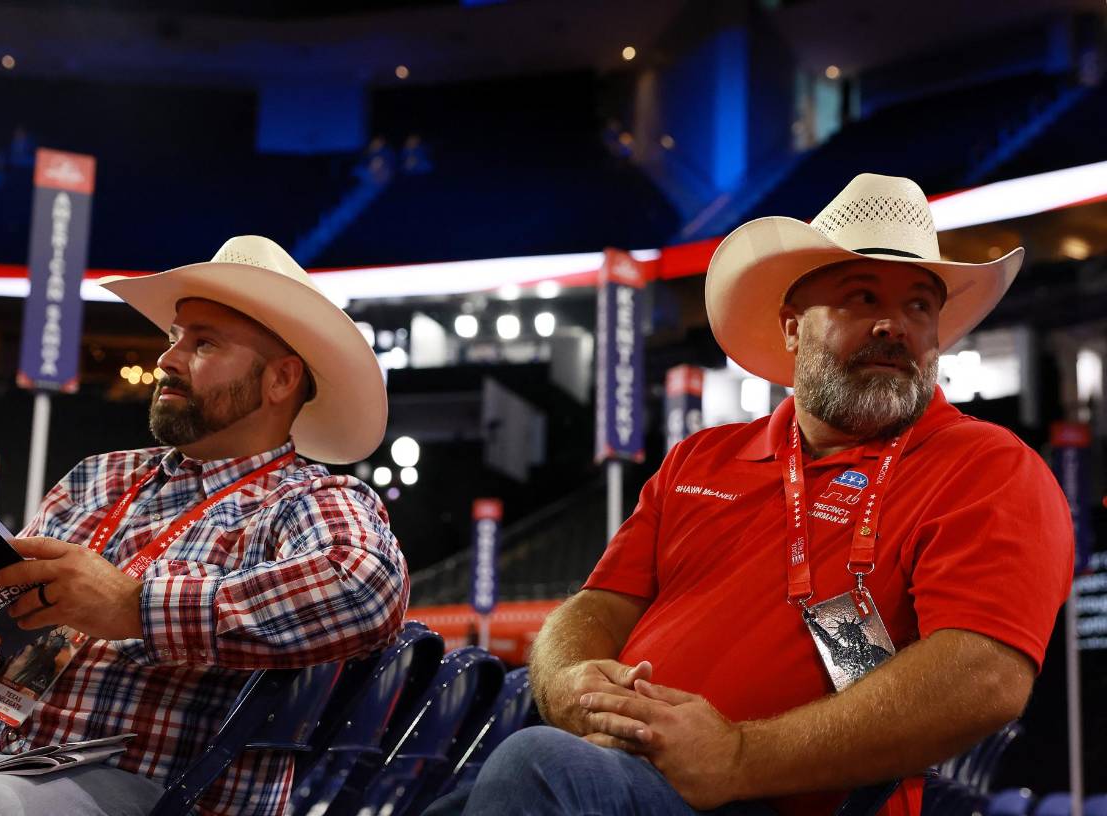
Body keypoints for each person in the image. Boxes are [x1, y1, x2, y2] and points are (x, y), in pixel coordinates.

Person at [445, 174, 1074, 816]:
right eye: (862, 296)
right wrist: (572, 681)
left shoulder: (985, 466)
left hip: (785, 801)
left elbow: (984, 677)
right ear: (792, 328)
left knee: (532, 766)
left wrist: (737, 757)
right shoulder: (701, 457)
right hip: (626, 776)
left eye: (920, 306)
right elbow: (595, 609)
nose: (894, 325)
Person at [0, 236, 409, 816]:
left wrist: (136, 606)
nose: (167, 359)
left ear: (281, 381)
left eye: (204, 343)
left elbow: (366, 587)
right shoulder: (96, 478)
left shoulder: (306, 497)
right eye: (173, 337)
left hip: (144, 787)